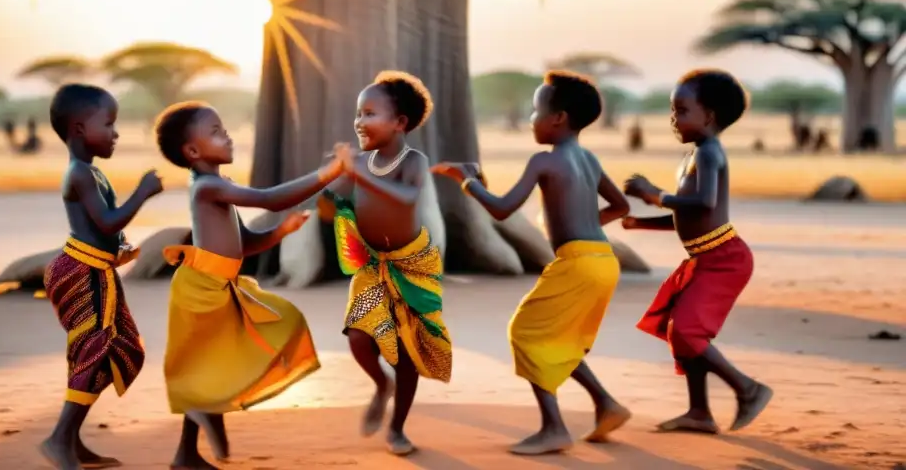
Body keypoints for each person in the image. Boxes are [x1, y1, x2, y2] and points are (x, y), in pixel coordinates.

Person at [434, 71, 632, 455]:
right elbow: (621, 207)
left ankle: (554, 427)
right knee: (559, 339)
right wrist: (588, 225)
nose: (530, 118)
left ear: (557, 118)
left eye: (535, 109)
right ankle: (606, 405)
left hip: (576, 263)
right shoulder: (588, 159)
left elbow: (503, 209)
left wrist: (467, 181)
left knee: (526, 333)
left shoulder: (544, 161)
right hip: (602, 260)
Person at [152, 101, 344, 468]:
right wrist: (327, 173)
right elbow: (270, 198)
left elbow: (248, 242)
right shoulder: (206, 187)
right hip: (201, 290)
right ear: (192, 152)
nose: (226, 136)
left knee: (248, 343)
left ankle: (204, 423)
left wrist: (280, 231)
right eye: (215, 132)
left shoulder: (219, 185)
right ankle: (186, 453)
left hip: (222, 286)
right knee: (202, 368)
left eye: (223, 129)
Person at [623, 68, 772, 435]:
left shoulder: (709, 153)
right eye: (673, 110)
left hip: (725, 259)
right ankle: (699, 412)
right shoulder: (692, 156)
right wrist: (641, 222)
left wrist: (655, 195)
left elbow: (703, 202)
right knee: (680, 333)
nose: (674, 118)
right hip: (705, 258)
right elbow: (686, 214)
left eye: (682, 110)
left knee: (688, 331)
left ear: (709, 116)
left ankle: (748, 389)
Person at [317, 71, 451, 456]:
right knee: (359, 338)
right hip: (372, 265)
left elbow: (407, 198)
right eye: (358, 113)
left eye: (371, 113)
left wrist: (358, 172)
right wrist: (330, 186)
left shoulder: (413, 160)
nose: (360, 121)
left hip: (412, 265)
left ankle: (398, 428)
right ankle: (381, 384)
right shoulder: (362, 162)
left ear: (400, 123)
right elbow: (331, 207)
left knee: (406, 352)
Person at [40, 84, 163, 470]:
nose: (115, 132)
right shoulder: (79, 174)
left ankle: (70, 438)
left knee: (127, 348)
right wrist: (142, 193)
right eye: (108, 124)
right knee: (94, 350)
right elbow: (107, 220)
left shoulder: (91, 173)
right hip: (82, 271)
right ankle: (60, 439)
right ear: (79, 129)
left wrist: (120, 245)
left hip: (98, 269)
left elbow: (106, 229)